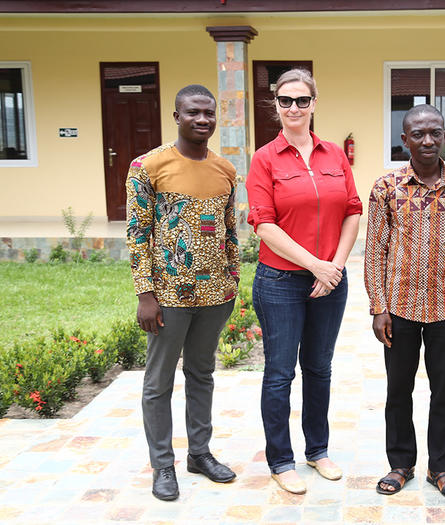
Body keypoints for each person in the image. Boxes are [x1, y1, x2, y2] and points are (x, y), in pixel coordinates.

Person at [245, 69, 362, 495]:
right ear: (275, 106)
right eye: (284, 101)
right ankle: (280, 461)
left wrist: (334, 266)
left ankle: (318, 450)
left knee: (319, 369)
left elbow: (352, 209)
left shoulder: (334, 155)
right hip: (280, 281)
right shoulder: (265, 159)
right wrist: (315, 264)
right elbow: (263, 223)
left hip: (329, 279)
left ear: (314, 104)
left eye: (301, 100)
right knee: (279, 373)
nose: (293, 108)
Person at [364, 104, 445, 502]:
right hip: (399, 307)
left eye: (435, 132)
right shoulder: (386, 188)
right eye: (418, 134)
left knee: (444, 389)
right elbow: (375, 251)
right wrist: (378, 306)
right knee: (398, 390)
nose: (427, 140)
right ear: (405, 140)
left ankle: (440, 467)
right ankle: (401, 463)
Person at [126, 84, 239, 501]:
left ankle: (200, 453)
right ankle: (162, 465)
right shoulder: (147, 166)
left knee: (202, 375)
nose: (202, 119)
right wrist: (145, 293)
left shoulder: (225, 169)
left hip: (215, 296)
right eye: (193, 112)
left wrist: (232, 281)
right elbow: (137, 233)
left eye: (209, 113)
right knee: (158, 382)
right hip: (168, 297)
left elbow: (229, 230)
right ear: (176, 116)